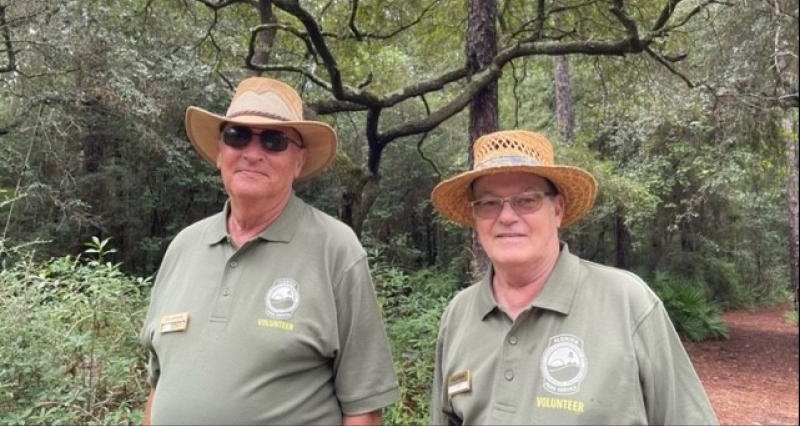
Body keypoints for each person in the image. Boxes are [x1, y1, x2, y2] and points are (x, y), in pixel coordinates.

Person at [139, 77, 400, 425]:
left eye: (274, 141)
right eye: (237, 135)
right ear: (220, 152)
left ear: (298, 161)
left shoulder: (335, 249)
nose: (252, 152)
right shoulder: (183, 247)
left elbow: (363, 409)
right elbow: (159, 385)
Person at [429, 130, 718, 425]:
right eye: (489, 203)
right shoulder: (458, 315)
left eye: (526, 200)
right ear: (475, 218)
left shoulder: (627, 303)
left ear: (558, 209)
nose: (506, 216)